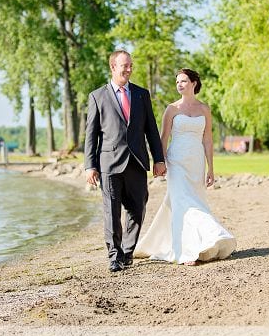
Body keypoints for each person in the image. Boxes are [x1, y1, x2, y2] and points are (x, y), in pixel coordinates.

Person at [135, 69, 236, 265]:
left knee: (195, 201)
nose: (179, 85)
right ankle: (187, 251)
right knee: (184, 203)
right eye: (177, 82)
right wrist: (160, 161)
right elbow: (163, 138)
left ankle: (197, 243)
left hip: (196, 163)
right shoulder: (171, 109)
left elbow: (207, 140)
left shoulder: (204, 109)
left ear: (194, 83)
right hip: (176, 162)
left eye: (183, 81)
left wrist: (211, 169)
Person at [84, 50, 166, 272]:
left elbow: (151, 129)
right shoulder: (97, 96)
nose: (129, 69)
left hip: (137, 162)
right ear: (113, 67)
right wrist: (90, 165)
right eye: (124, 66)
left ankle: (127, 252)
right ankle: (114, 256)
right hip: (109, 163)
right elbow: (91, 135)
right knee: (111, 212)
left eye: (130, 65)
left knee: (138, 208)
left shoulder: (141, 94)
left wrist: (159, 159)